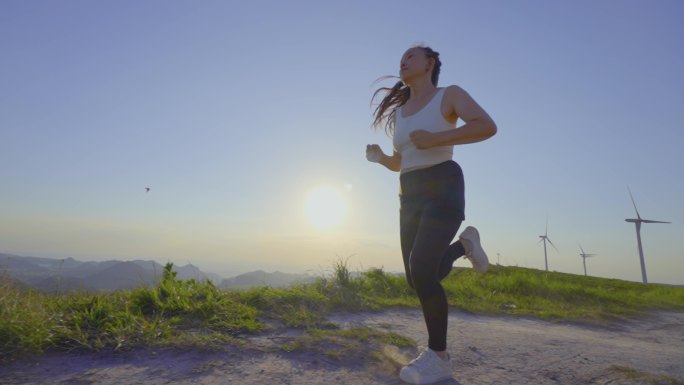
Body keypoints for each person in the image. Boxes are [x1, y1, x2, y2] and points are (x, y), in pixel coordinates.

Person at [366, 45, 497, 384]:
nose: (403, 60)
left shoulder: (448, 95)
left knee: (423, 269)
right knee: (417, 276)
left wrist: (439, 136)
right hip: (410, 194)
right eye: (401, 57)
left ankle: (439, 358)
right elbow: (403, 160)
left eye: (411, 55)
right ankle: (464, 246)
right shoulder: (400, 113)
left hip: (443, 183)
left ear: (430, 63)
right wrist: (382, 157)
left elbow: (486, 126)